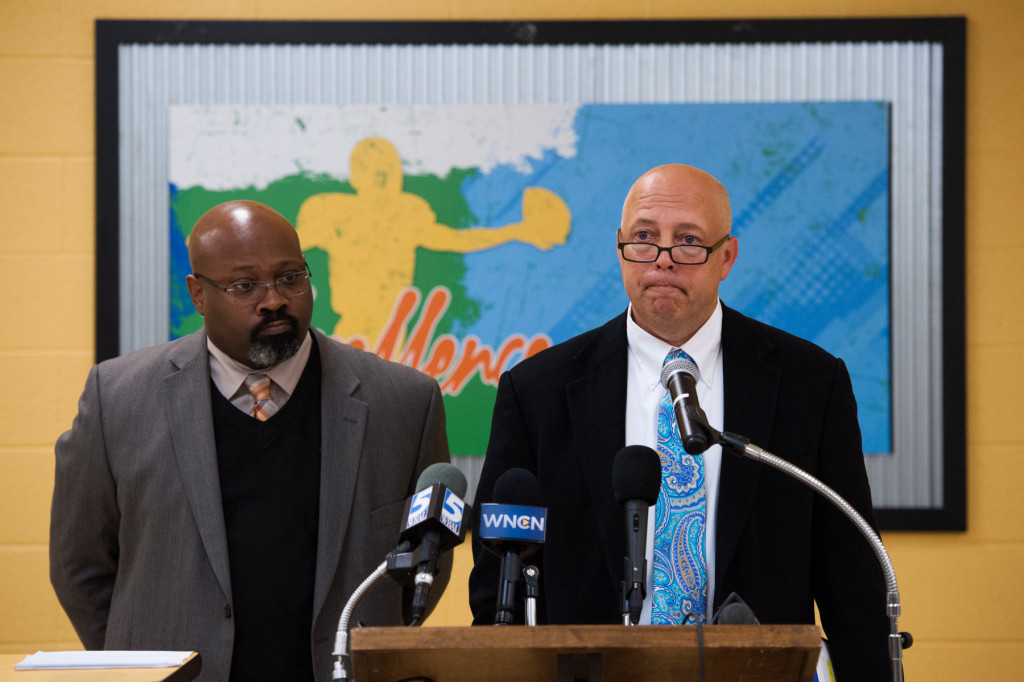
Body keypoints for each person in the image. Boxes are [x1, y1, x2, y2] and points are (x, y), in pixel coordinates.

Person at [468, 165, 889, 679]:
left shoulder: (810, 384)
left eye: (688, 241)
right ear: (619, 246)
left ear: (726, 256)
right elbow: (496, 589)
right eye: (644, 238)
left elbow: (853, 582)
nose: (662, 261)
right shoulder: (537, 391)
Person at [50, 200, 452, 681]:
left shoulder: (405, 401)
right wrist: (142, 664)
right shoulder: (117, 397)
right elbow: (81, 567)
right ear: (198, 295)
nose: (274, 299)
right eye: (245, 285)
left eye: (290, 277)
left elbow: (426, 565)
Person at [294, 136, 570, 348]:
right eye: (374, 170)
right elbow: (286, 248)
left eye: (388, 170)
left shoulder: (406, 212)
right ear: (356, 175)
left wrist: (514, 232)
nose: (381, 179)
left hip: (393, 327)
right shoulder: (332, 213)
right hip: (354, 325)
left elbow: (455, 240)